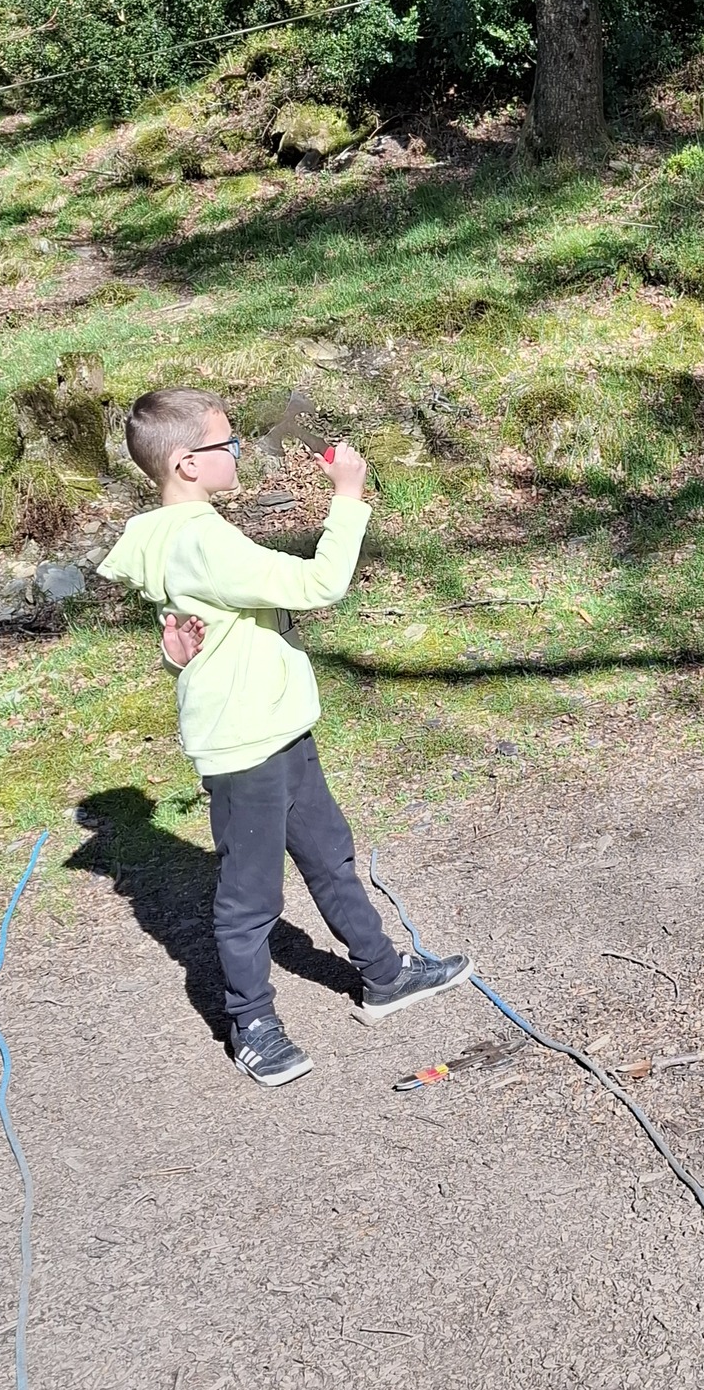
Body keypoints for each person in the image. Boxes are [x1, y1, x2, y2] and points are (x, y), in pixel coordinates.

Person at [97, 388, 469, 1085]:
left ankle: (384, 975)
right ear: (186, 463)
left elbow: (196, 635)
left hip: (279, 725)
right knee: (250, 897)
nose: (237, 452)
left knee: (330, 855)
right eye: (227, 444)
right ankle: (251, 1024)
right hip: (246, 746)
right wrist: (348, 497)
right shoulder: (201, 540)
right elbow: (319, 584)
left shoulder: (180, 534)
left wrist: (174, 656)